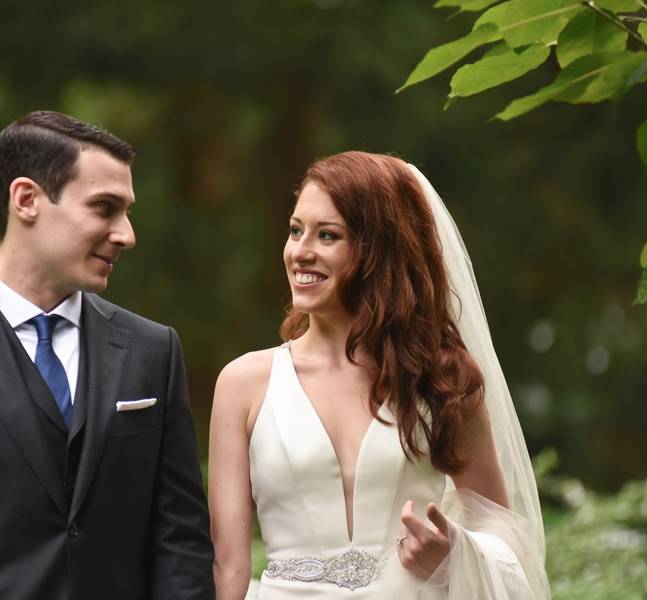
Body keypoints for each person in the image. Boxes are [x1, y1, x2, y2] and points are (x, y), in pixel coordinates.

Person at [0, 111, 214, 600]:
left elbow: (180, 542)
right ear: (27, 199)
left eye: (127, 212)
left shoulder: (152, 351)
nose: (126, 234)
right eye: (104, 208)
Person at [209, 151, 549, 599]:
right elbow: (227, 564)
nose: (300, 252)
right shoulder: (243, 383)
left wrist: (456, 555)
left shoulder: (443, 381)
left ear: (378, 252)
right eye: (295, 231)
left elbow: (500, 528)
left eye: (327, 235)